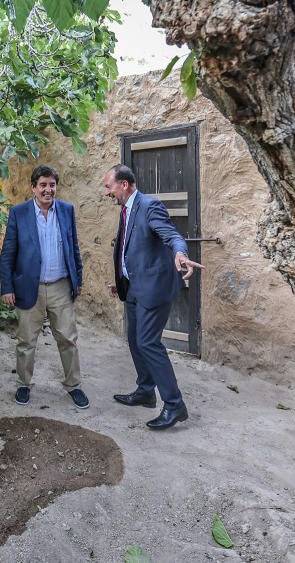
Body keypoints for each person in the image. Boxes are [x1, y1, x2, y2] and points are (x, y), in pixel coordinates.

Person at [103, 164, 204, 430]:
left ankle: (174, 405)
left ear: (124, 184)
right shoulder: (126, 209)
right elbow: (132, 247)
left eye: (108, 186)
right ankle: (145, 391)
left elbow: (171, 235)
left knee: (148, 342)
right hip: (134, 285)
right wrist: (123, 279)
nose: (107, 192)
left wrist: (180, 254)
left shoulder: (149, 205)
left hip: (155, 287)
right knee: (135, 341)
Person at [0, 165, 88, 409]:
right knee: (26, 341)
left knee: (68, 339)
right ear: (33, 188)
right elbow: (8, 252)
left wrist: (77, 279)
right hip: (30, 287)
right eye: (43, 185)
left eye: (52, 185)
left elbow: (74, 247)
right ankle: (23, 384)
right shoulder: (19, 213)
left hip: (61, 286)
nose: (48, 190)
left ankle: (74, 386)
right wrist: (7, 287)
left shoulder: (67, 211)